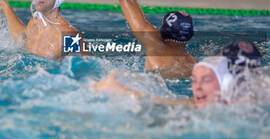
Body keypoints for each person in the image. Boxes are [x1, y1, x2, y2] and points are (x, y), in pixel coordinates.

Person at [94, 41, 265, 109]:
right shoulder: (217, 99)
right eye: (195, 80)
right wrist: (123, 92)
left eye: (206, 80)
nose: (196, 88)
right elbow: (170, 103)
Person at [0, 0, 81, 60]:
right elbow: (21, 37)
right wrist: (4, 6)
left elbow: (86, 66)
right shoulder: (34, 23)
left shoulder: (68, 34)